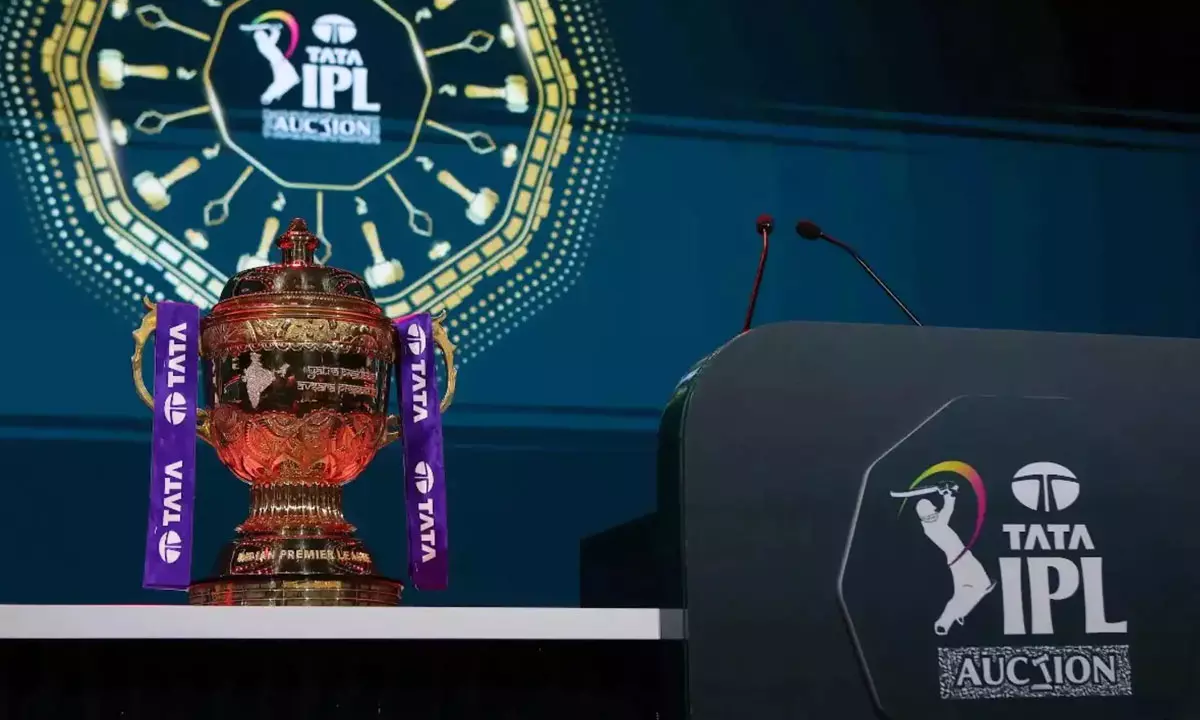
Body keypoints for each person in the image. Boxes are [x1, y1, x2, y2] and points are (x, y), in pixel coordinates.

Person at [915, 483, 996, 635]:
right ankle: (948, 619)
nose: (935, 513)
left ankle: (951, 618)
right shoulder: (933, 527)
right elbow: (946, 512)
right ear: (927, 515)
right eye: (932, 512)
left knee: (972, 590)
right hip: (962, 560)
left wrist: (949, 493)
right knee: (980, 587)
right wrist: (948, 493)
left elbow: (947, 511)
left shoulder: (934, 524)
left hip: (959, 560)